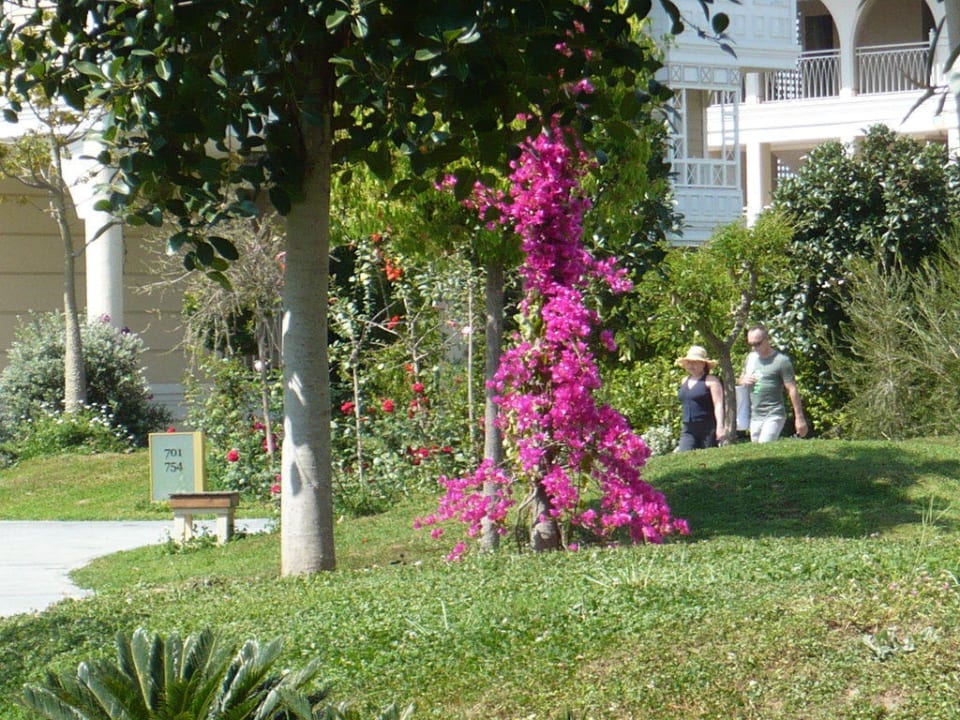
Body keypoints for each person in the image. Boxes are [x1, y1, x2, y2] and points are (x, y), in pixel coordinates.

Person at [738, 324, 809, 443]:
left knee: (764, 447)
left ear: (768, 339)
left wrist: (799, 418)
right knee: (758, 454)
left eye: (757, 344)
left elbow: (792, 389)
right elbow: (741, 379)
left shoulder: (781, 361)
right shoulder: (751, 358)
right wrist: (743, 380)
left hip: (773, 413)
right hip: (755, 415)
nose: (754, 348)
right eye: (751, 344)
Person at [675, 345, 725, 451]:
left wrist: (720, 427)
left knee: (708, 459)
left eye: (695, 362)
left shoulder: (711, 381)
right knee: (684, 456)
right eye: (689, 362)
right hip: (688, 427)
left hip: (707, 427)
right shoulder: (684, 380)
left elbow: (718, 404)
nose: (691, 365)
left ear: (703, 364)